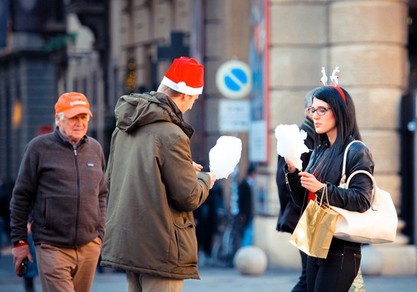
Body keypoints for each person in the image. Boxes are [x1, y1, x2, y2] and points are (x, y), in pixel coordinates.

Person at [100, 56, 217, 292]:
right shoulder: (171, 134)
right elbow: (189, 196)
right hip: (160, 246)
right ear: (183, 94)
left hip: (130, 241)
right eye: (194, 99)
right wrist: (206, 179)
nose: (192, 105)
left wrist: (182, 166)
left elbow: (113, 177)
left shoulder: (125, 126)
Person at [10, 92, 108, 292]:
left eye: (83, 117)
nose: (79, 123)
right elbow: (21, 197)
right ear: (58, 118)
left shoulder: (95, 149)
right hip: (51, 246)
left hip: (89, 246)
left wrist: (100, 234)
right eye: (73, 117)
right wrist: (19, 242)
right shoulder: (38, 148)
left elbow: (101, 194)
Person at [284, 84, 375, 291]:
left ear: (340, 111)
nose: (315, 116)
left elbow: (362, 200)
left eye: (322, 110)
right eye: (313, 110)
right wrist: (291, 171)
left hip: (340, 245)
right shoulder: (319, 149)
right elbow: (302, 201)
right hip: (314, 236)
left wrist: (321, 189)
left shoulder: (356, 150)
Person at [275, 88, 316, 292]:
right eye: (316, 109)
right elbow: (284, 182)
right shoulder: (300, 137)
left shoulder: (315, 136)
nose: (319, 114)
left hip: (309, 215)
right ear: (308, 111)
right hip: (305, 215)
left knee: (312, 277)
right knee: (309, 277)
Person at [237, 164, 257, 247]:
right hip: (245, 214)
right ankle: (244, 249)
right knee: (247, 232)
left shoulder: (251, 184)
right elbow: (241, 200)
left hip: (250, 213)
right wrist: (242, 213)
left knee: (250, 232)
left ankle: (246, 248)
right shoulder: (244, 185)